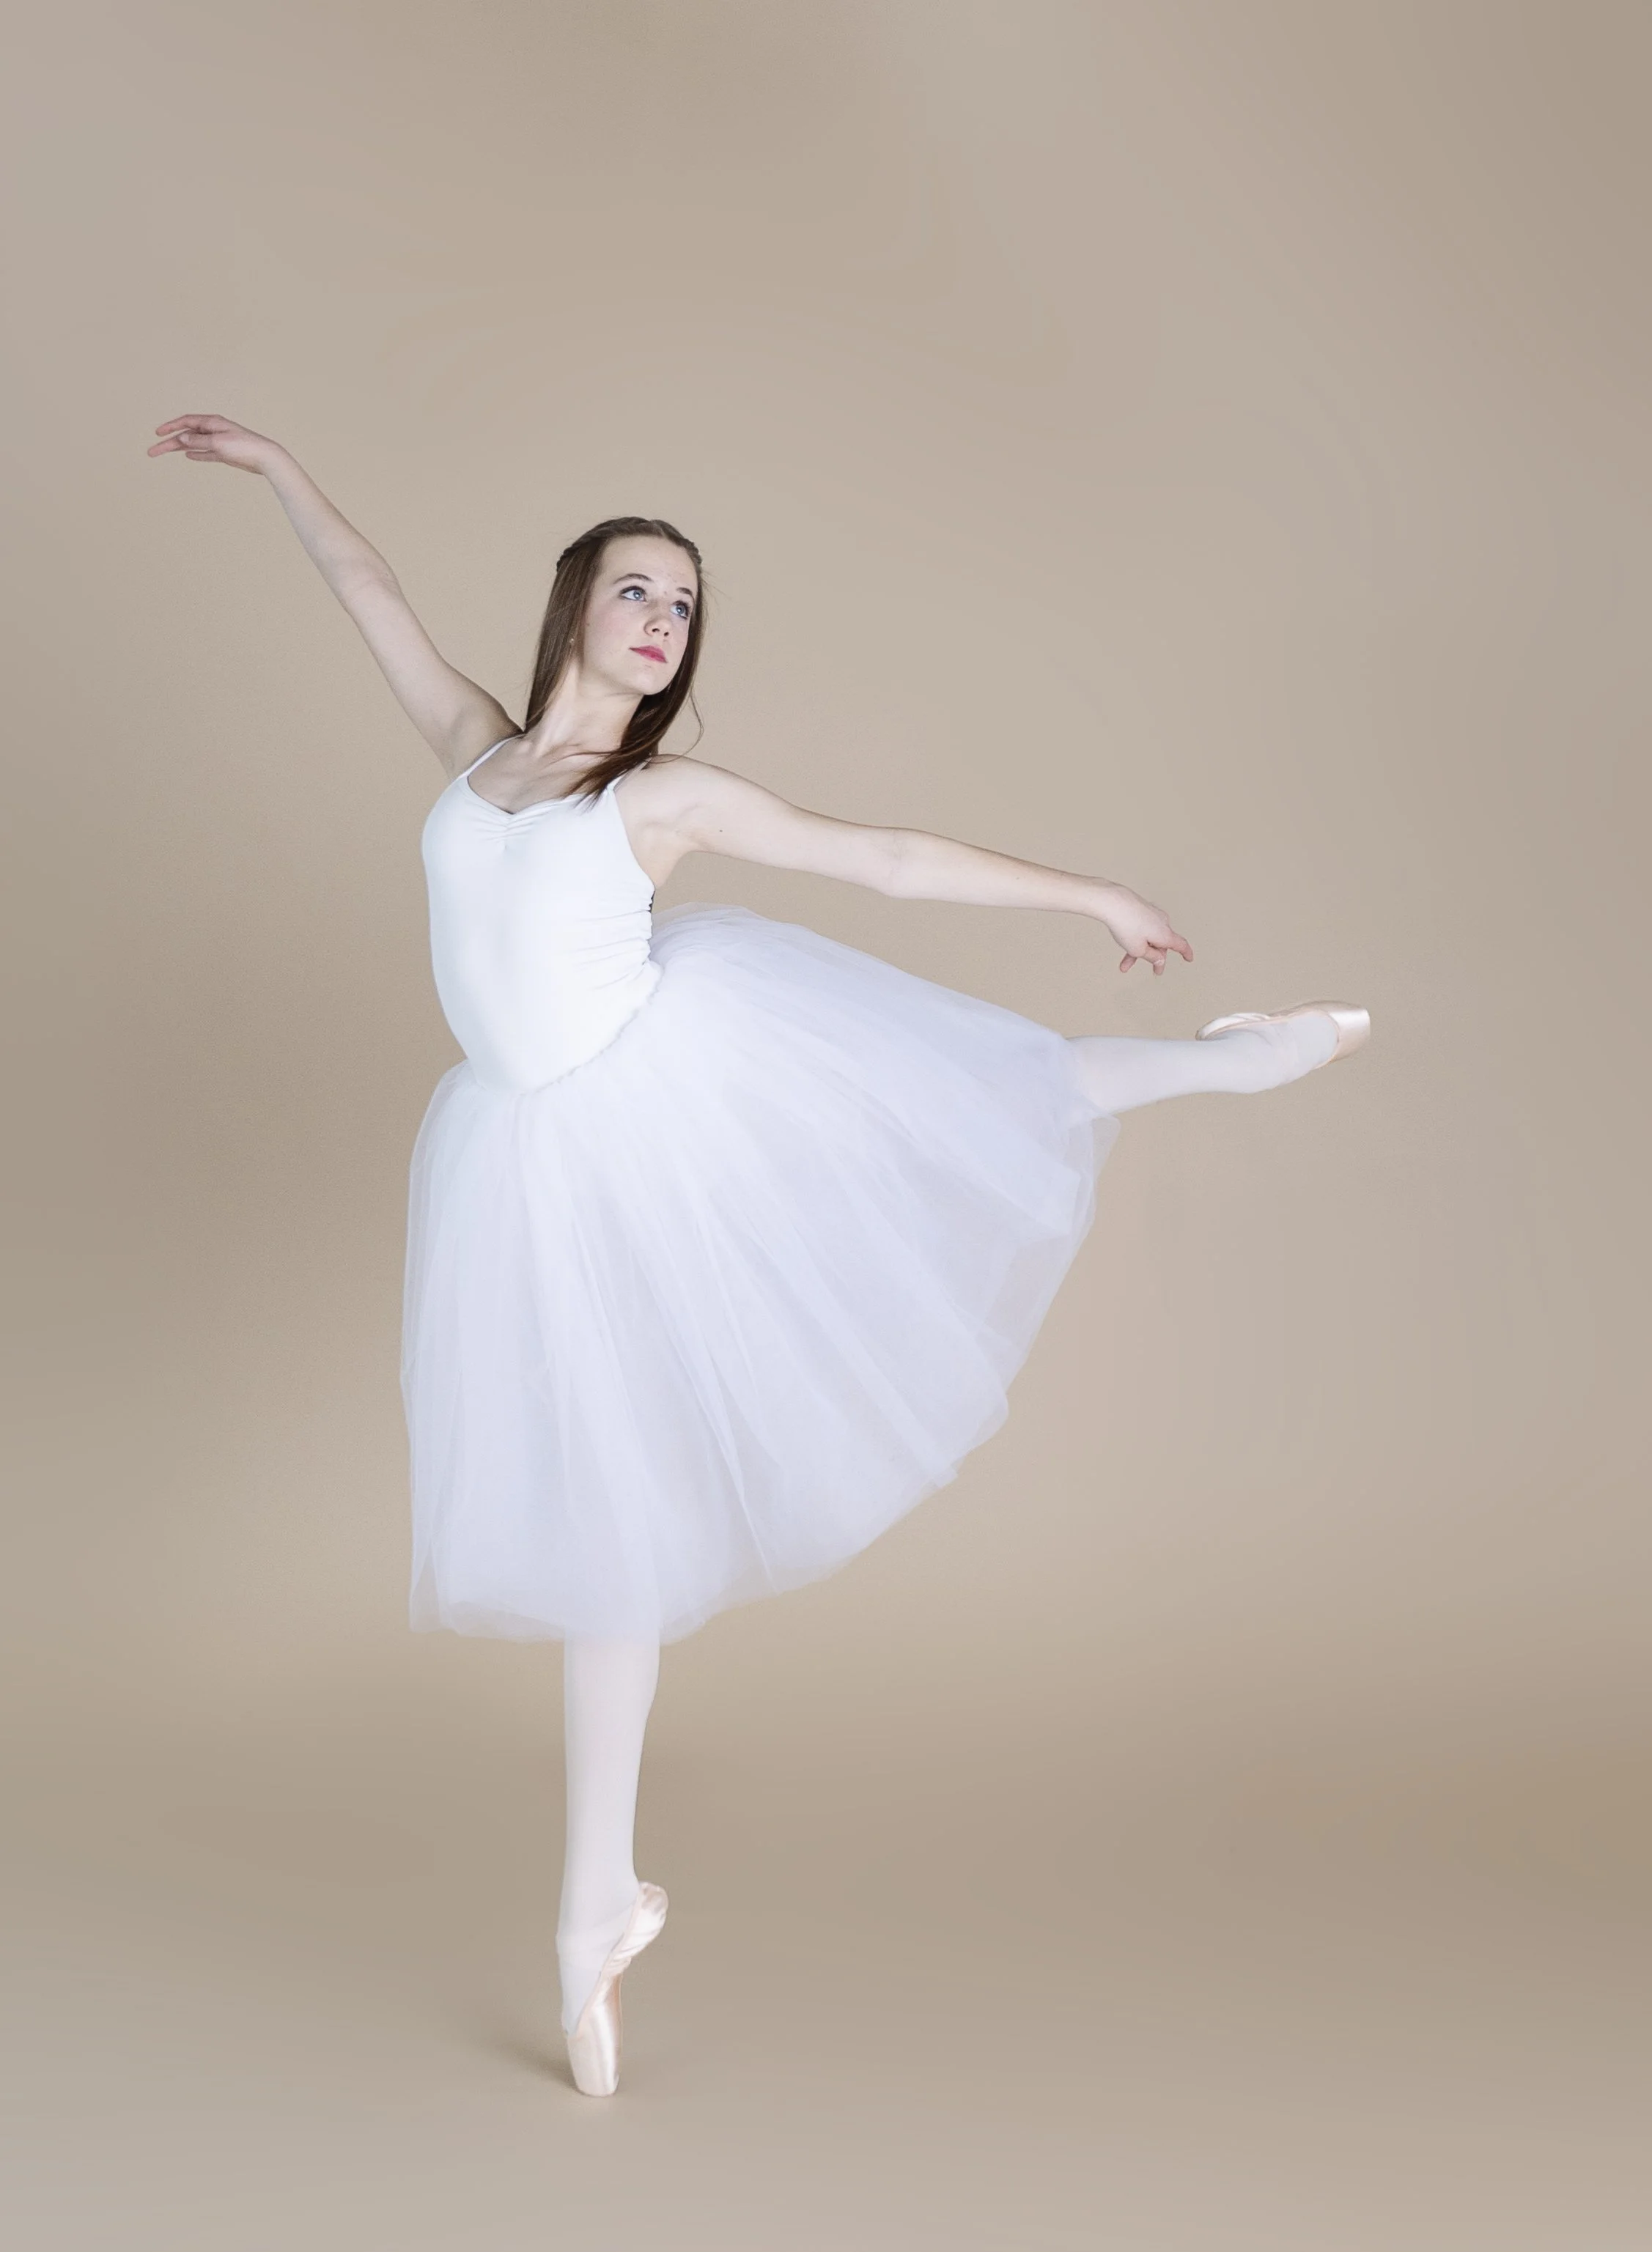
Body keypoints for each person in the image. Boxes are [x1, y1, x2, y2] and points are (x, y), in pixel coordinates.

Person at [149, 411, 1370, 2095]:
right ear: (574, 602)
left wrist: (1089, 896)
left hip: (664, 1107)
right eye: (636, 590)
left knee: (980, 1099)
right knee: (606, 1528)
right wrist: (279, 466)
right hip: (526, 1158)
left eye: (684, 609)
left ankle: (1237, 1058)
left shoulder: (660, 797)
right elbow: (368, 593)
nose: (660, 622)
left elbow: (878, 857)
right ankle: (590, 1915)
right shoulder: (480, 752)